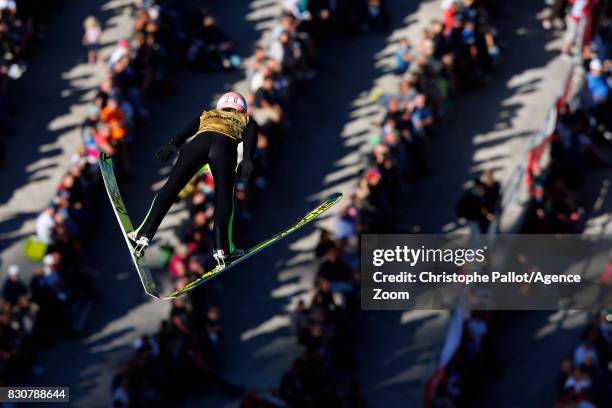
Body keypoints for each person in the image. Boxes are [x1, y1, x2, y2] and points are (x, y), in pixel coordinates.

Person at [128, 92, 258, 268]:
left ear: (220, 104)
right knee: (225, 200)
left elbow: (188, 128)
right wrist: (248, 158)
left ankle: (143, 235)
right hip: (224, 150)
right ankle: (222, 250)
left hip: (197, 146)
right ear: (242, 108)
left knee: (171, 188)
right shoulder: (246, 119)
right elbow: (251, 138)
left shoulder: (208, 113)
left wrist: (173, 143)